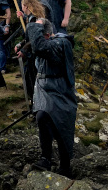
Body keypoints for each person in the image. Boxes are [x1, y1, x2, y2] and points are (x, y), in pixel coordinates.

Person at [28, 18, 77, 178]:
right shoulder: (47, 43)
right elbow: (36, 47)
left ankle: (65, 165)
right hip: (43, 86)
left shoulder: (60, 43)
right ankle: (46, 158)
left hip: (60, 88)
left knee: (60, 124)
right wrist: (23, 47)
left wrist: (36, 26)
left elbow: (40, 47)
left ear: (47, 34)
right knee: (42, 117)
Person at [14, 0, 46, 101]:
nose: (21, 7)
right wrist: (20, 44)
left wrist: (23, 50)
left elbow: (33, 39)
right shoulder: (31, 18)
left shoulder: (34, 19)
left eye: (22, 5)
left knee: (33, 80)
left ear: (25, 6)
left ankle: (37, 106)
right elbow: (28, 37)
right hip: (33, 53)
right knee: (30, 80)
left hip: (35, 54)